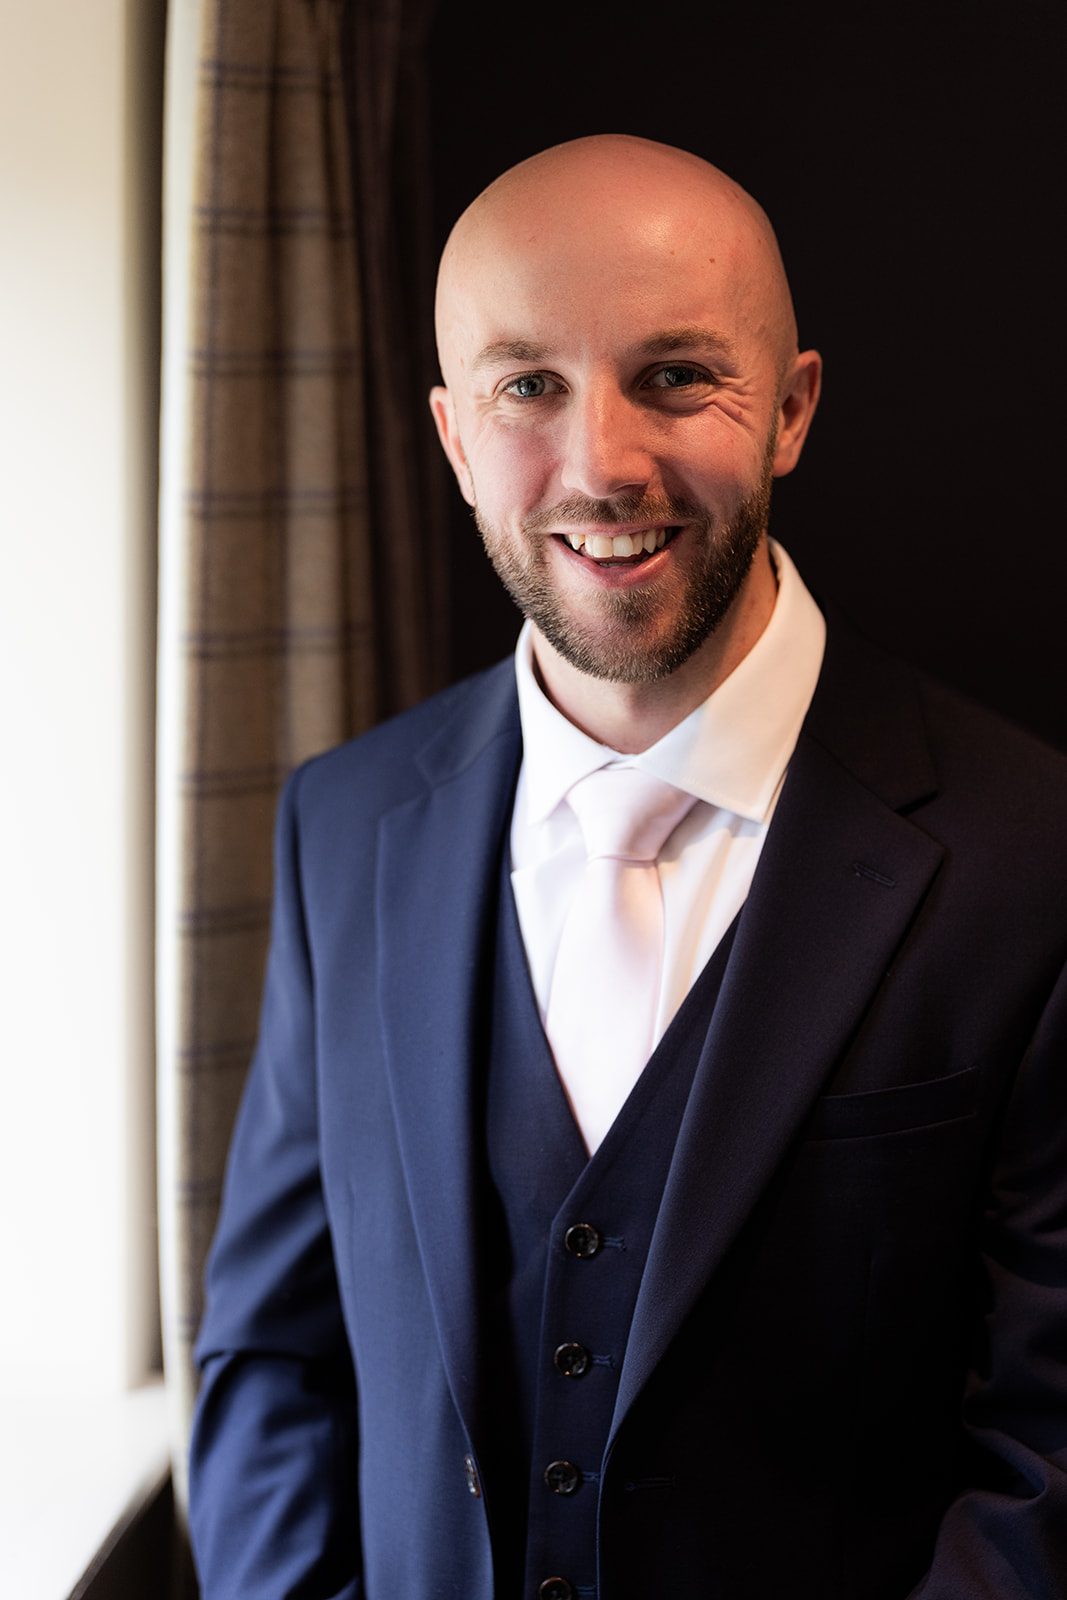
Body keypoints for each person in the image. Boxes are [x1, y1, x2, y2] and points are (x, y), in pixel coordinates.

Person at [188, 135, 1067, 1599]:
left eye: (674, 376)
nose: (601, 464)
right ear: (456, 437)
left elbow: (1047, 1456)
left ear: (790, 411)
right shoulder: (338, 827)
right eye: (526, 385)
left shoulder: (1033, 857)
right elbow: (275, 1358)